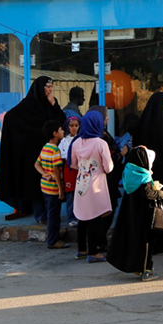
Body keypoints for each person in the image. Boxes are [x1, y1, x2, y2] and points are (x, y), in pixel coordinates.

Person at [0, 76, 67, 221]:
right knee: (34, 184)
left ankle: (48, 215)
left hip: (48, 154)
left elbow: (60, 123)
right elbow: (11, 117)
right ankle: (41, 215)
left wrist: (54, 104)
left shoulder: (49, 106)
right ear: (40, 89)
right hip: (31, 155)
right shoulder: (27, 106)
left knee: (50, 183)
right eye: (47, 87)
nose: (50, 90)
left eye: (51, 87)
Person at [108, 146, 163, 281]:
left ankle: (136, 267)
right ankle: (146, 270)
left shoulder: (129, 172)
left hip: (131, 216)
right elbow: (149, 194)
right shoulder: (143, 177)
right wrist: (161, 193)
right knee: (146, 243)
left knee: (134, 241)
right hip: (144, 217)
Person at [69, 111, 115, 263]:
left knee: (83, 217)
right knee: (95, 217)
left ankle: (82, 249)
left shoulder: (76, 142)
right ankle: (93, 252)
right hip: (97, 185)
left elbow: (73, 164)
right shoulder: (101, 143)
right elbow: (108, 168)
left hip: (81, 183)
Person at [34, 120, 69, 249]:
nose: (63, 131)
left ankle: (53, 237)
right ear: (55, 133)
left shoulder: (45, 147)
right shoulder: (55, 150)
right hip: (53, 188)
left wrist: (44, 174)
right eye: (60, 129)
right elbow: (56, 169)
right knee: (53, 215)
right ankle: (53, 241)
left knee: (50, 213)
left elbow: (37, 164)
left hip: (45, 187)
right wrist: (60, 189)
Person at [58, 116, 80, 227]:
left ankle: (80, 217)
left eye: (76, 125)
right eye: (71, 126)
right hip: (69, 170)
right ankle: (71, 218)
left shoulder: (81, 139)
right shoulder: (64, 140)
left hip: (79, 170)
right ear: (67, 127)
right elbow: (60, 154)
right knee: (70, 195)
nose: (74, 128)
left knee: (80, 194)